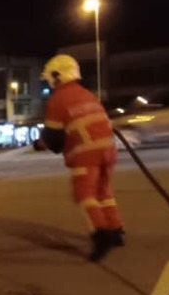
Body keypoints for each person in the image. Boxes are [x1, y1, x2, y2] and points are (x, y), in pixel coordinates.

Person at [33, 54, 124, 262]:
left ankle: (101, 235)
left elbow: (54, 137)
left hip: (86, 152)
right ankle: (116, 229)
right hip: (109, 149)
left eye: (50, 78)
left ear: (57, 76)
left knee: (85, 194)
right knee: (103, 191)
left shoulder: (58, 100)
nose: (50, 82)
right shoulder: (86, 94)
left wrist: (42, 144)